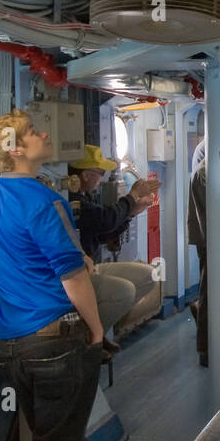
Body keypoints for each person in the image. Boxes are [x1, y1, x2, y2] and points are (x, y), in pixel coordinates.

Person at [0, 110, 141, 441]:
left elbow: (45, 252)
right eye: (32, 134)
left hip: (12, 346)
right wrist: (94, 330)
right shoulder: (44, 202)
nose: (43, 134)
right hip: (57, 341)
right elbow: (70, 275)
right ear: (14, 150)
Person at [68, 144, 159, 353]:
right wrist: (131, 197)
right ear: (86, 175)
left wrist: (132, 212)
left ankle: (95, 330)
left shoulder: (86, 198)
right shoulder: (74, 201)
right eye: (100, 173)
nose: (102, 178)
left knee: (149, 275)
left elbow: (103, 234)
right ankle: (90, 339)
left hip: (91, 266)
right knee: (124, 291)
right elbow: (107, 219)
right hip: (78, 274)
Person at [186, 147, 207, 366]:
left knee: (208, 291)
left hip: (207, 237)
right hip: (210, 240)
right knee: (209, 293)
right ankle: (206, 350)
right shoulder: (205, 172)